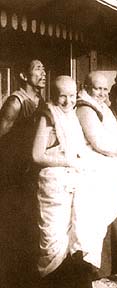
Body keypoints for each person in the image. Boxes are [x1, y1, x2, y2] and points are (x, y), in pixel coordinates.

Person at [33, 75, 96, 288]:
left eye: (72, 96)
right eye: (62, 96)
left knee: (74, 237)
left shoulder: (71, 116)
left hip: (74, 183)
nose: (68, 102)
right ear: (54, 95)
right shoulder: (48, 116)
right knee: (53, 241)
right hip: (54, 187)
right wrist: (68, 161)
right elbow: (36, 156)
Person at [76, 71, 117, 280]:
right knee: (98, 217)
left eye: (104, 89)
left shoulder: (101, 108)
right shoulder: (85, 107)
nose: (101, 93)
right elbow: (99, 143)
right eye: (97, 88)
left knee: (115, 209)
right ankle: (97, 267)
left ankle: (114, 266)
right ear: (87, 87)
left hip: (106, 167)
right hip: (90, 168)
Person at [0, 59, 46, 287]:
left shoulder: (41, 101)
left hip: (33, 173)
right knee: (16, 226)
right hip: (14, 175)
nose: (43, 73)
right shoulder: (16, 102)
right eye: (37, 69)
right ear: (23, 75)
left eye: (44, 69)